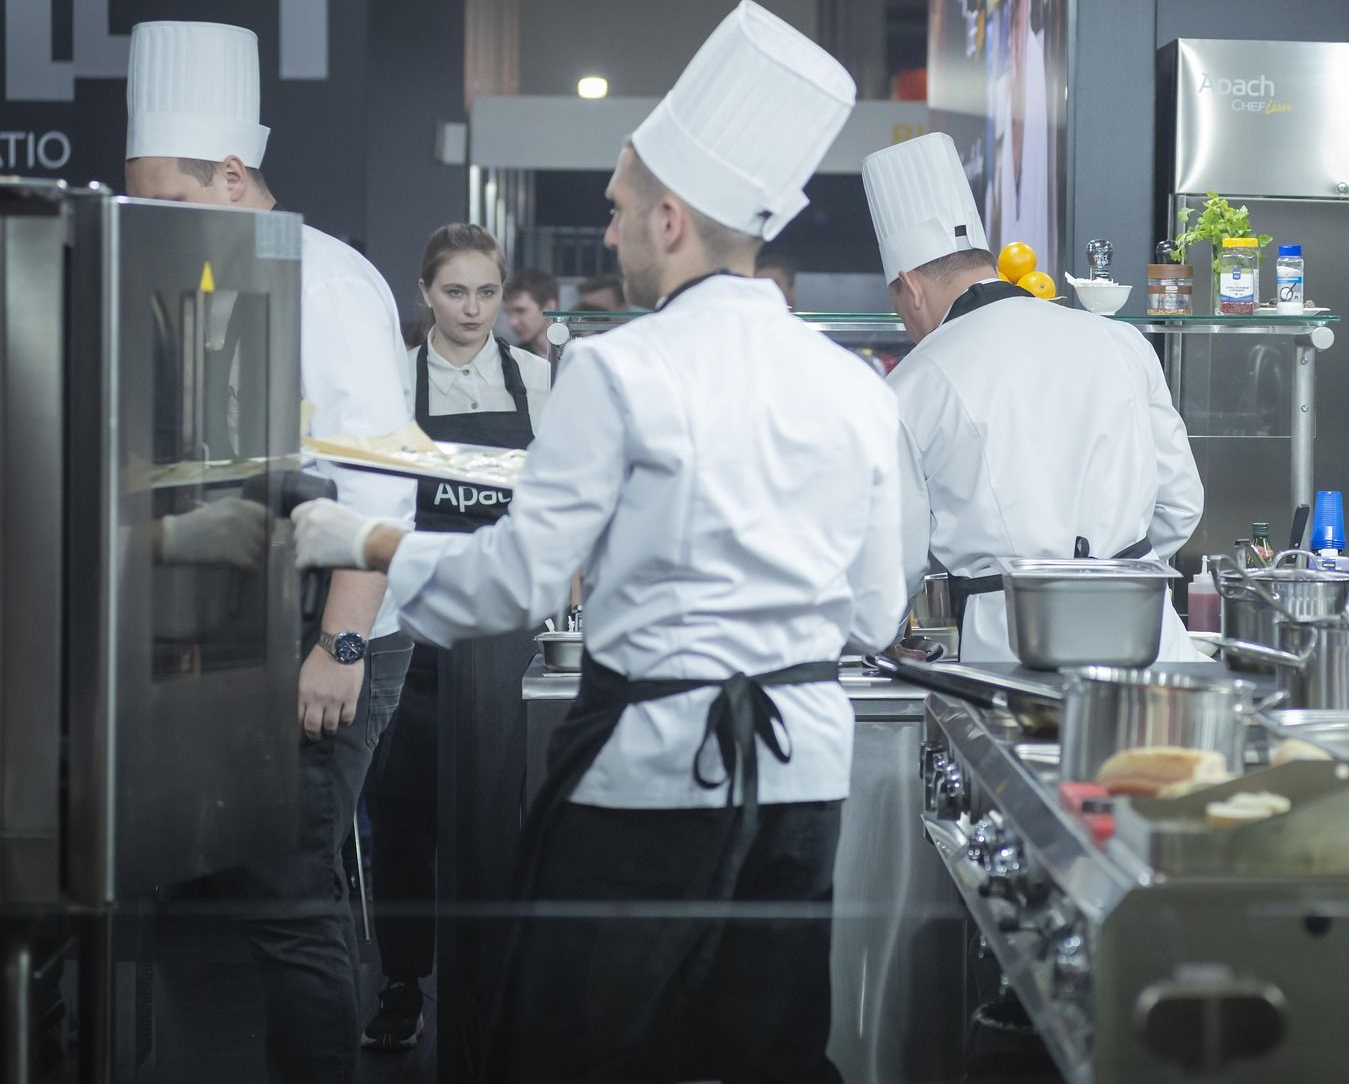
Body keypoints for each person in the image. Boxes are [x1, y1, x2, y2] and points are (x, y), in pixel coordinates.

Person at [289, 4, 900, 1080]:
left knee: (578, 1050)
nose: (607, 232)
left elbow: (512, 583)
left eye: (617, 211)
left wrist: (367, 537)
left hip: (650, 777)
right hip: (804, 774)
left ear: (670, 219)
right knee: (773, 1053)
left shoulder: (622, 369)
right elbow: (877, 612)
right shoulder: (854, 386)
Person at [121, 20, 416, 1084]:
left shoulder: (326, 281)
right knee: (199, 884)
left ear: (235, 173)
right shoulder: (188, 280)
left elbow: (380, 487)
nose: (150, 220)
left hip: (331, 630)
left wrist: (337, 644)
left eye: (172, 198)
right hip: (224, 625)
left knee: (290, 891)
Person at [862, 131, 1205, 662]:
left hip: (1014, 658)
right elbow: (1181, 504)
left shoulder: (912, 384)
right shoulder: (1118, 338)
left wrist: (879, 632)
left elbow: (891, 563)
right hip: (1149, 646)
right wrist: (1114, 575)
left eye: (901, 308)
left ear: (911, 287)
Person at [361, 223, 552, 1051]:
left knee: (495, 819)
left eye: (485, 293)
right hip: (414, 621)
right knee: (402, 815)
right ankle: (403, 982)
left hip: (506, 630)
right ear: (424, 294)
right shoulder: (393, 380)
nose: (472, 311)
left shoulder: (539, 379)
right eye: (454, 293)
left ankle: (492, 993)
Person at [504, 267, 560, 357]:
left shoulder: (581, 352)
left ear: (549, 307)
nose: (512, 322)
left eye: (521, 311)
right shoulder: (513, 359)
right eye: (508, 313)